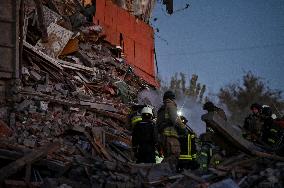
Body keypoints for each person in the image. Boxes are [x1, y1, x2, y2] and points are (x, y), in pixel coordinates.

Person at [156, 91, 185, 170]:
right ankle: (161, 171)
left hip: (162, 137)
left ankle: (163, 172)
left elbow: (157, 125)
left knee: (167, 156)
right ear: (171, 98)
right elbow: (175, 119)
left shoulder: (160, 110)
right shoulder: (170, 105)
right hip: (171, 136)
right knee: (175, 155)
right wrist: (183, 128)